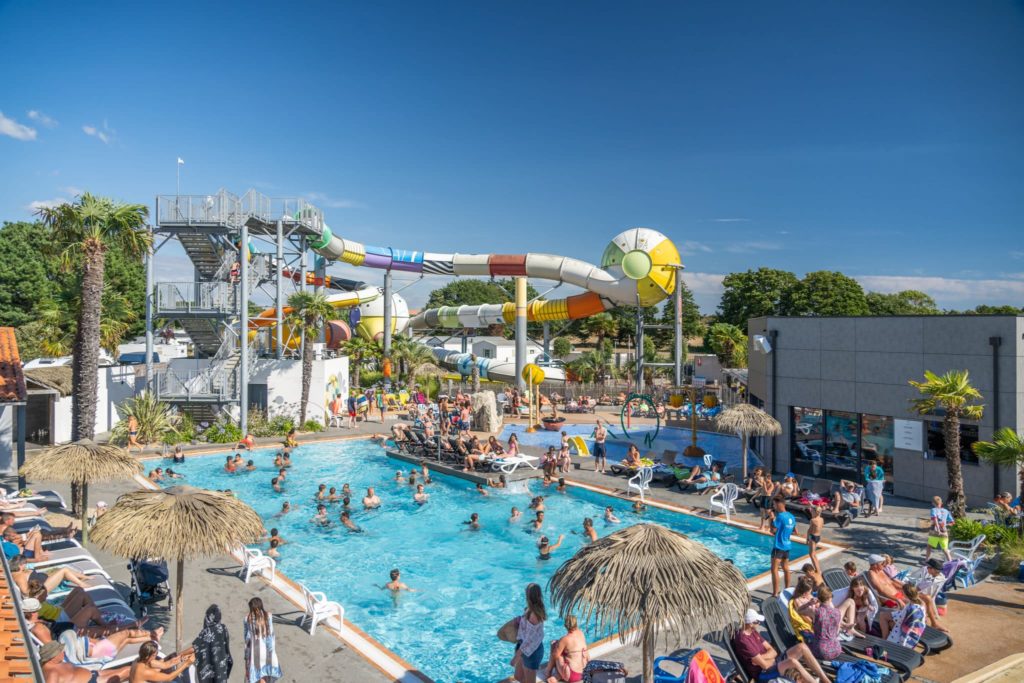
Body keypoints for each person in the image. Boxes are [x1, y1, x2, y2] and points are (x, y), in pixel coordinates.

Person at [732, 608, 831, 683]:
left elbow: (773, 651)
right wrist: (769, 658)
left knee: (802, 647)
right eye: (757, 622)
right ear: (750, 624)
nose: (759, 623)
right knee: (792, 662)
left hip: (774, 663)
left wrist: (762, 657)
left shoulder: (753, 632)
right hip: (763, 673)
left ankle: (825, 680)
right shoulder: (743, 641)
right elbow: (765, 665)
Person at [39, 639, 133, 682]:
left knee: (129, 670)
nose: (63, 652)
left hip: (92, 674)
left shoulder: (53, 664)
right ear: (52, 657)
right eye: (61, 651)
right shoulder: (52, 674)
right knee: (129, 671)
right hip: (92, 681)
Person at [512, 583, 547, 683]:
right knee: (518, 676)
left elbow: (529, 640)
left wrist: (516, 656)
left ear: (529, 595)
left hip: (531, 651)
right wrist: (520, 620)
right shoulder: (530, 609)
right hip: (523, 647)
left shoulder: (534, 614)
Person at [243, 597, 282, 682]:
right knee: (267, 674)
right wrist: (272, 651)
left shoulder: (247, 619)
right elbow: (270, 636)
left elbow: (247, 639)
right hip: (267, 652)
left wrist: (246, 656)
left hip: (255, 653)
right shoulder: (269, 616)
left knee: (260, 676)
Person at [192, 604, 233, 683]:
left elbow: (196, 647)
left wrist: (180, 655)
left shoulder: (207, 631)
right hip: (221, 670)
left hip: (210, 672)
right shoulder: (223, 628)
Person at [9, 555, 91, 594]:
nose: (26, 565)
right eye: (24, 563)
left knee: (58, 569)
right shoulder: (19, 576)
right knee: (64, 570)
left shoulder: (18, 572)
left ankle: (85, 576)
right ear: (20, 565)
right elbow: (26, 592)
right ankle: (82, 584)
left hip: (44, 580)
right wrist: (38, 588)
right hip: (44, 587)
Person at [544, 614, 589, 683]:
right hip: (584, 672)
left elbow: (555, 656)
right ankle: (558, 675)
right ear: (576, 624)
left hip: (572, 676)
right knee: (569, 654)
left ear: (565, 626)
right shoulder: (581, 634)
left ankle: (548, 672)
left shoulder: (564, 639)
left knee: (555, 646)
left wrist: (556, 645)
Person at [881, 584, 926, 648]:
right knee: (889, 621)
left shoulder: (909, 608)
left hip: (904, 635)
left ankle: (884, 641)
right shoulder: (922, 604)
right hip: (916, 632)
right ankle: (885, 639)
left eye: (902, 592)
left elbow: (899, 618)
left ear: (905, 594)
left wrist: (899, 609)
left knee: (882, 616)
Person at [769, 496, 796, 597]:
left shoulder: (780, 516)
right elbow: (795, 531)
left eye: (774, 504)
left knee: (774, 569)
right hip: (787, 545)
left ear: (779, 504)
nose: (774, 506)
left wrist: (771, 518)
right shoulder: (791, 516)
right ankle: (787, 590)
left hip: (779, 546)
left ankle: (775, 593)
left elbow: (772, 531)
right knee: (786, 568)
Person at [810, 585, 843, 661]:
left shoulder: (816, 612)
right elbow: (837, 632)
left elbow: (799, 610)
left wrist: (811, 603)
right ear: (830, 598)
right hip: (836, 649)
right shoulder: (837, 612)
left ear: (818, 598)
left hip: (821, 651)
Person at [926, 496, 954, 562]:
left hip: (934, 531)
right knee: (945, 549)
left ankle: (927, 560)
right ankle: (950, 563)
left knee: (929, 546)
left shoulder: (933, 510)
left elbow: (935, 518)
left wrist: (938, 529)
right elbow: (952, 522)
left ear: (933, 503)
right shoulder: (946, 511)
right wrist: (945, 525)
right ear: (941, 503)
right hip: (944, 532)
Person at [806, 506, 823, 573]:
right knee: (814, 554)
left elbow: (809, 530)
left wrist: (807, 539)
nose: (811, 512)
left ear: (815, 512)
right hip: (818, 537)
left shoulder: (813, 520)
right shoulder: (821, 519)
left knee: (811, 555)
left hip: (813, 537)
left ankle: (818, 570)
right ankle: (818, 568)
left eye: (812, 511)